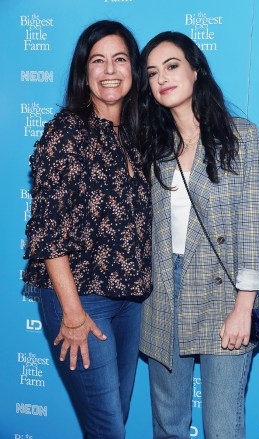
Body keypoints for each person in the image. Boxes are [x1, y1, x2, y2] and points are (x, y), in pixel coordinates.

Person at [139, 31, 259, 439]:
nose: (162, 77)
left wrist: (243, 308)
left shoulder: (240, 137)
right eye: (152, 72)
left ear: (196, 70)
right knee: (169, 424)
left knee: (221, 427)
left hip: (224, 295)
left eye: (172, 65)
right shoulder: (154, 146)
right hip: (163, 291)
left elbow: (257, 228)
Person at [23, 20, 151, 439]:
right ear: (85, 71)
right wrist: (73, 314)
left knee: (118, 412)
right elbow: (47, 231)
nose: (109, 69)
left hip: (130, 303)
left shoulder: (135, 136)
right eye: (98, 60)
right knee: (107, 428)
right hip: (81, 301)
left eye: (119, 59)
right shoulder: (67, 133)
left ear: (133, 69)